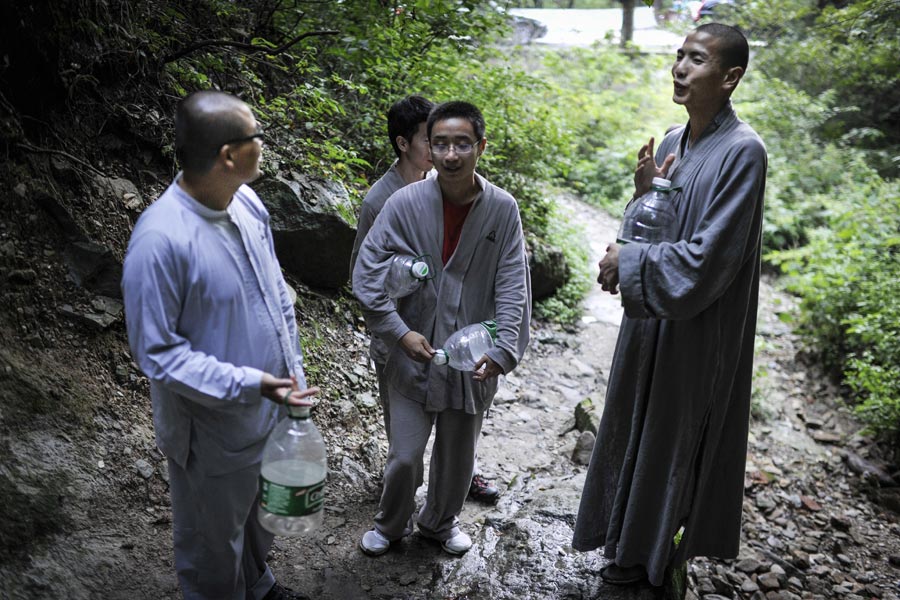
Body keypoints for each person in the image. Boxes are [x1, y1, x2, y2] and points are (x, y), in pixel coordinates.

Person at [572, 23, 767, 587]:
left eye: (696, 59)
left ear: (730, 77)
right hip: (650, 322)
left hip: (697, 331)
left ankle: (652, 562)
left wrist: (628, 264)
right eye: (678, 55)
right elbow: (653, 230)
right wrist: (640, 201)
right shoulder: (674, 140)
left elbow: (709, 260)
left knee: (671, 439)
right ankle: (621, 541)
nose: (679, 67)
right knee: (633, 423)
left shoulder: (743, 153)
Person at [121, 90, 318, 600]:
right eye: (256, 136)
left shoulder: (246, 201)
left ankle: (258, 583)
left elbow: (276, 294)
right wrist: (252, 383)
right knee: (212, 542)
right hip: (210, 430)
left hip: (272, 407)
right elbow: (157, 355)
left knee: (262, 515)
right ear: (230, 154)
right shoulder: (161, 240)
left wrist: (291, 373)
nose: (263, 144)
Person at [352, 101, 531, 557]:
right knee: (405, 455)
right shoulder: (402, 203)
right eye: (441, 144)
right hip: (412, 351)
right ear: (428, 148)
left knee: (457, 457)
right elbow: (367, 272)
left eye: (462, 144)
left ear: (480, 147)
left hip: (471, 356)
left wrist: (505, 350)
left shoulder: (502, 209)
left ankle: (438, 524)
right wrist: (396, 331)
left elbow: (514, 284)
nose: (451, 155)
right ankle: (390, 525)